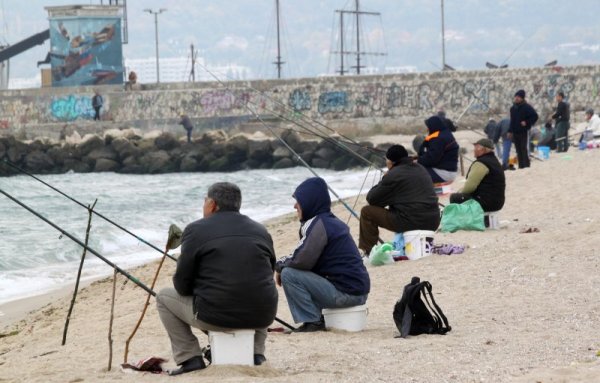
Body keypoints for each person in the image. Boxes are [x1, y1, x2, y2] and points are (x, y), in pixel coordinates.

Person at [156, 182, 278, 375]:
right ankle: (256, 354)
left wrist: (202, 288)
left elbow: (181, 284)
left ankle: (190, 358)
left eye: (205, 201)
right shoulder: (260, 230)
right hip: (262, 315)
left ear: (212, 204)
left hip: (215, 315)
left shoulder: (196, 230)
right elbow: (267, 273)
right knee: (256, 290)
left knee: (163, 297)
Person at [275, 177, 370, 332]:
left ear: (309, 201)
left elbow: (301, 260)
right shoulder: (329, 221)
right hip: (356, 291)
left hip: (347, 294)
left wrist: (278, 266)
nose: (294, 206)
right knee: (293, 270)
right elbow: (306, 260)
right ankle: (317, 318)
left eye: (298, 201)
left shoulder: (319, 224)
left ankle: (312, 322)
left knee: (289, 274)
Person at [359, 145, 440, 254]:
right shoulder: (420, 168)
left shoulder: (393, 175)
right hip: (433, 220)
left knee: (367, 212)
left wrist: (385, 178)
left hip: (412, 221)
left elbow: (372, 199)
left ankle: (369, 252)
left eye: (386, 160)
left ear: (391, 162)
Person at [450, 138, 506, 213]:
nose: (474, 150)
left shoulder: (481, 163)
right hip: (498, 202)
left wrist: (459, 193)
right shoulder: (494, 161)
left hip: (486, 202)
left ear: (482, 149)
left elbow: (469, 187)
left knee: (455, 198)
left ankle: (461, 221)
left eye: (476, 147)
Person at [418, 115, 459, 183]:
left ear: (433, 126)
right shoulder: (444, 133)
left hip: (444, 173)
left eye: (428, 126)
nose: (427, 129)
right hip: (447, 170)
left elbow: (431, 160)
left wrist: (418, 160)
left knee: (412, 172)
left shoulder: (439, 139)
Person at [508, 90, 538, 169]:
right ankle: (521, 166)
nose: (517, 98)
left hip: (524, 131)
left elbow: (535, 116)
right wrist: (510, 131)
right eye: (516, 96)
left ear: (522, 98)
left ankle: (526, 165)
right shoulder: (512, 108)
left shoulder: (527, 107)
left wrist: (527, 122)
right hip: (515, 132)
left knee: (523, 148)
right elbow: (512, 121)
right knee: (518, 150)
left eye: (519, 97)